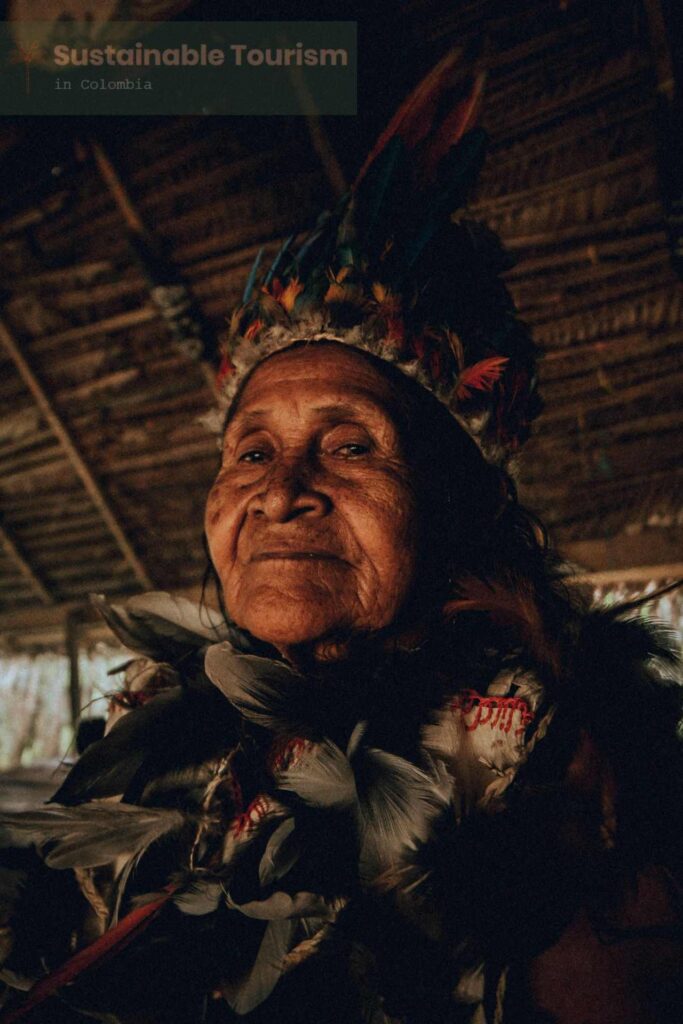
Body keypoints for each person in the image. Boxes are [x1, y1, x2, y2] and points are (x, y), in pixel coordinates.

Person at [0, 52, 681, 1024]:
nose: (281, 492)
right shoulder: (160, 717)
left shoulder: (563, 769)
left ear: (452, 509)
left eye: (350, 444)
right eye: (250, 451)